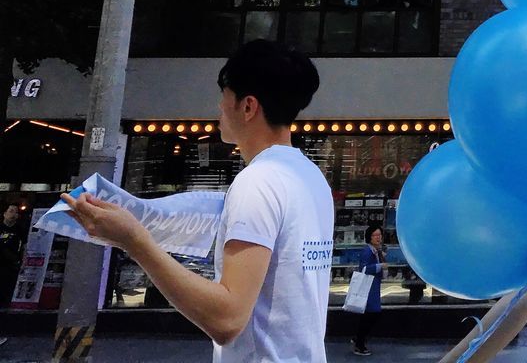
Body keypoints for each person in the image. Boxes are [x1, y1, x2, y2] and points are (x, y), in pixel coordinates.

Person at [60, 40, 334, 362]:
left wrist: (134, 241)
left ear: (248, 107)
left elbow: (227, 319)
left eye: (224, 96)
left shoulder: (259, 182)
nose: (219, 106)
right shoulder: (310, 177)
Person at [351, 224, 386, 357]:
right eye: (375, 235)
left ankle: (359, 338)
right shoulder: (368, 251)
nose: (378, 238)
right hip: (368, 287)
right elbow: (364, 268)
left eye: (380, 235)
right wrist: (379, 266)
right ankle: (359, 342)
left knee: (370, 314)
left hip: (373, 286)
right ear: (369, 237)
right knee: (370, 314)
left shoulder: (376, 250)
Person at [0, 203, 24, 309]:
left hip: (12, 266)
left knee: (8, 289)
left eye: (16, 212)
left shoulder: (20, 230)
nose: (13, 214)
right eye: (11, 211)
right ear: (4, 214)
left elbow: (25, 245)